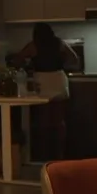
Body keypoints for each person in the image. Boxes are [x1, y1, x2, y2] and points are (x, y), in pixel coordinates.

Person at [12, 23, 79, 160]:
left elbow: (17, 59)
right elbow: (74, 59)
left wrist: (26, 65)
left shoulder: (33, 45)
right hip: (59, 79)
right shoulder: (59, 43)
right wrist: (63, 65)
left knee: (43, 121)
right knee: (59, 120)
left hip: (43, 81)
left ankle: (44, 154)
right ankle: (59, 153)